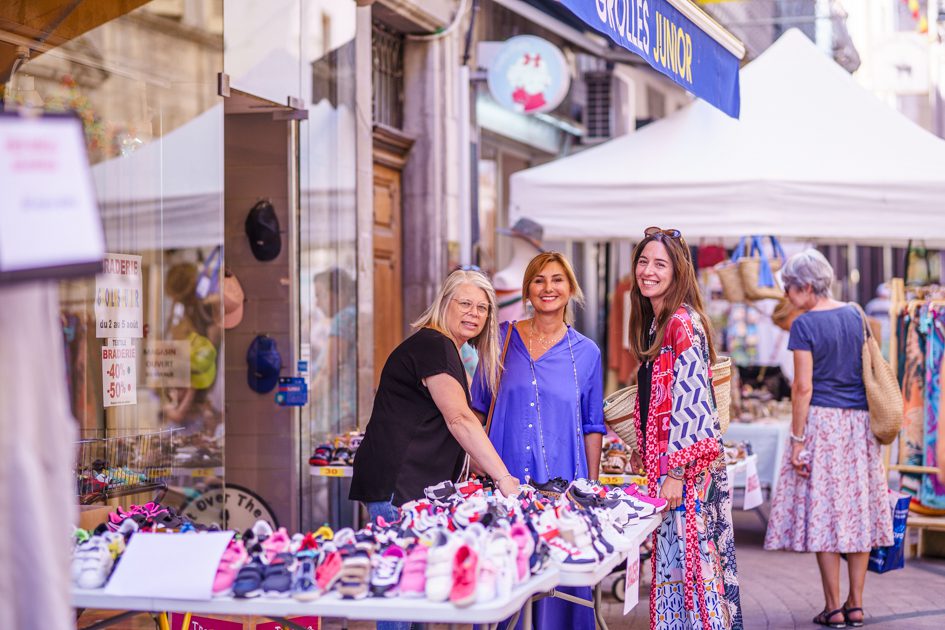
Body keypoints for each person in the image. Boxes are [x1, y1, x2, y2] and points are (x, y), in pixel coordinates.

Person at [471, 251, 605, 630]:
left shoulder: (587, 353)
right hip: (504, 481)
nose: (548, 288)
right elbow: (476, 409)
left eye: (557, 279)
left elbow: (593, 425)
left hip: (562, 488)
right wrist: (476, 462)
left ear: (570, 288)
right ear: (527, 289)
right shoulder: (499, 339)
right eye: (539, 280)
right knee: (504, 577)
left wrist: (590, 490)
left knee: (558, 582)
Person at [764, 249, 893, 628]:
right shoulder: (856, 313)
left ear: (806, 286)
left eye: (789, 288)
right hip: (859, 426)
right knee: (858, 515)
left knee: (825, 516)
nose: (787, 296)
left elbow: (802, 387)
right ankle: (857, 605)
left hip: (822, 424)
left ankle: (833, 607)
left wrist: (797, 438)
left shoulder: (804, 325)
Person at [626, 227, 741, 630]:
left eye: (660, 264)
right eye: (643, 261)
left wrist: (674, 471)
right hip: (670, 468)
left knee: (697, 571)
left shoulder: (681, 322)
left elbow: (693, 403)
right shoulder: (659, 322)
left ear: (678, 272)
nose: (648, 271)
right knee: (680, 571)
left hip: (686, 474)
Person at [350, 269, 521, 515]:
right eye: (465, 303)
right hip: (399, 489)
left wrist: (471, 459)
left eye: (482, 308)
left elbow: (429, 419)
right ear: (444, 303)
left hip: (400, 486)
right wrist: (504, 479)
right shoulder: (435, 346)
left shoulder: (439, 346)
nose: (474, 313)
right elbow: (459, 419)